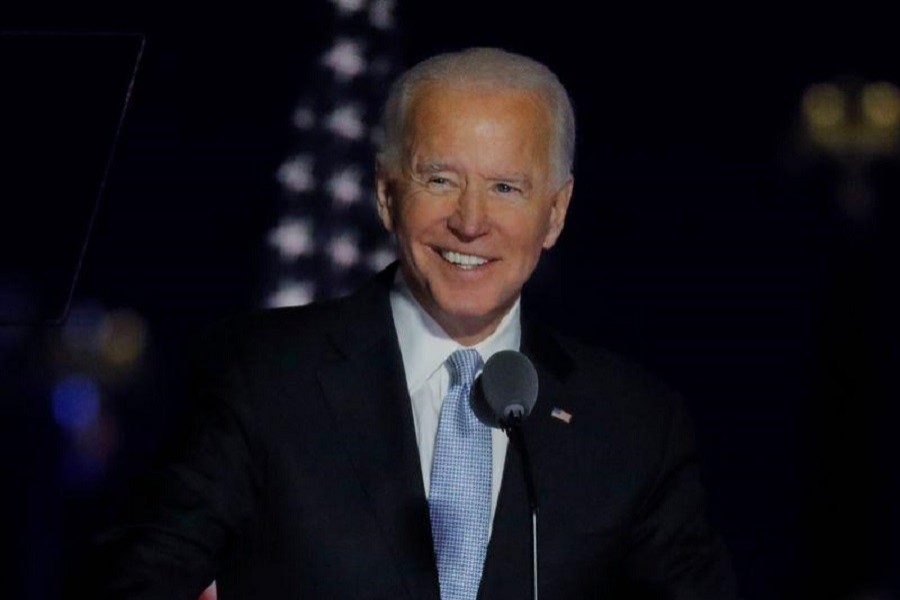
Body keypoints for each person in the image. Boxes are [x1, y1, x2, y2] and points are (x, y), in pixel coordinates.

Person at [95, 47, 738, 599]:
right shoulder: (259, 377)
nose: (470, 221)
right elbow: (136, 579)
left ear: (555, 212)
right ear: (386, 193)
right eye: (440, 179)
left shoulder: (634, 423)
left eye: (507, 188)